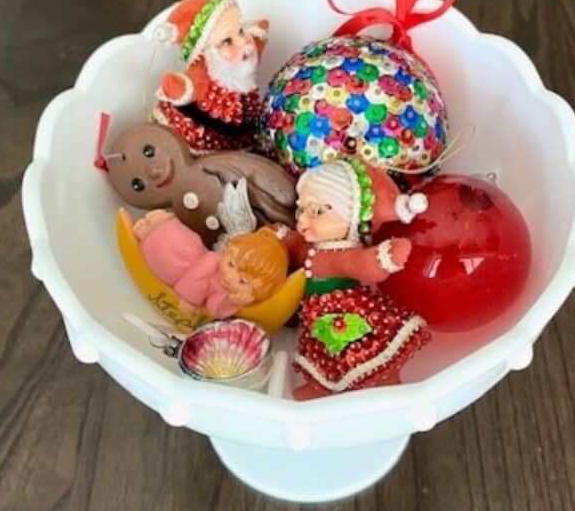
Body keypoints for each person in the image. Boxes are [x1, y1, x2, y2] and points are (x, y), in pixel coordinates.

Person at [275, 159, 431, 397]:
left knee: (370, 352)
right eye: (301, 210)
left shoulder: (344, 254)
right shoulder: (313, 246)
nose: (302, 221)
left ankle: (388, 381)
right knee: (322, 353)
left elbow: (360, 265)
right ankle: (318, 386)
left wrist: (383, 258)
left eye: (317, 212)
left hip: (348, 314)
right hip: (318, 317)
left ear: (350, 215)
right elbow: (298, 249)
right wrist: (284, 236)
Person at [150, 0, 269, 152]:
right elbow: (188, 90)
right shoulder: (204, 75)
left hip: (241, 141)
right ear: (205, 55)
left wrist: (259, 33)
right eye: (227, 41)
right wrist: (180, 90)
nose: (243, 42)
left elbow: (257, 41)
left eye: (241, 30)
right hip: (202, 143)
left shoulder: (244, 57)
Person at [133, 212, 287, 317]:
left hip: (173, 271)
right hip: (182, 256)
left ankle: (150, 236)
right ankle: (155, 227)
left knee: (161, 256)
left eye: (242, 281)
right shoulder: (213, 261)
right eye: (230, 264)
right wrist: (189, 300)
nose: (229, 276)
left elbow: (214, 308)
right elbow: (194, 278)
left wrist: (231, 302)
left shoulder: (226, 292)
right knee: (169, 242)